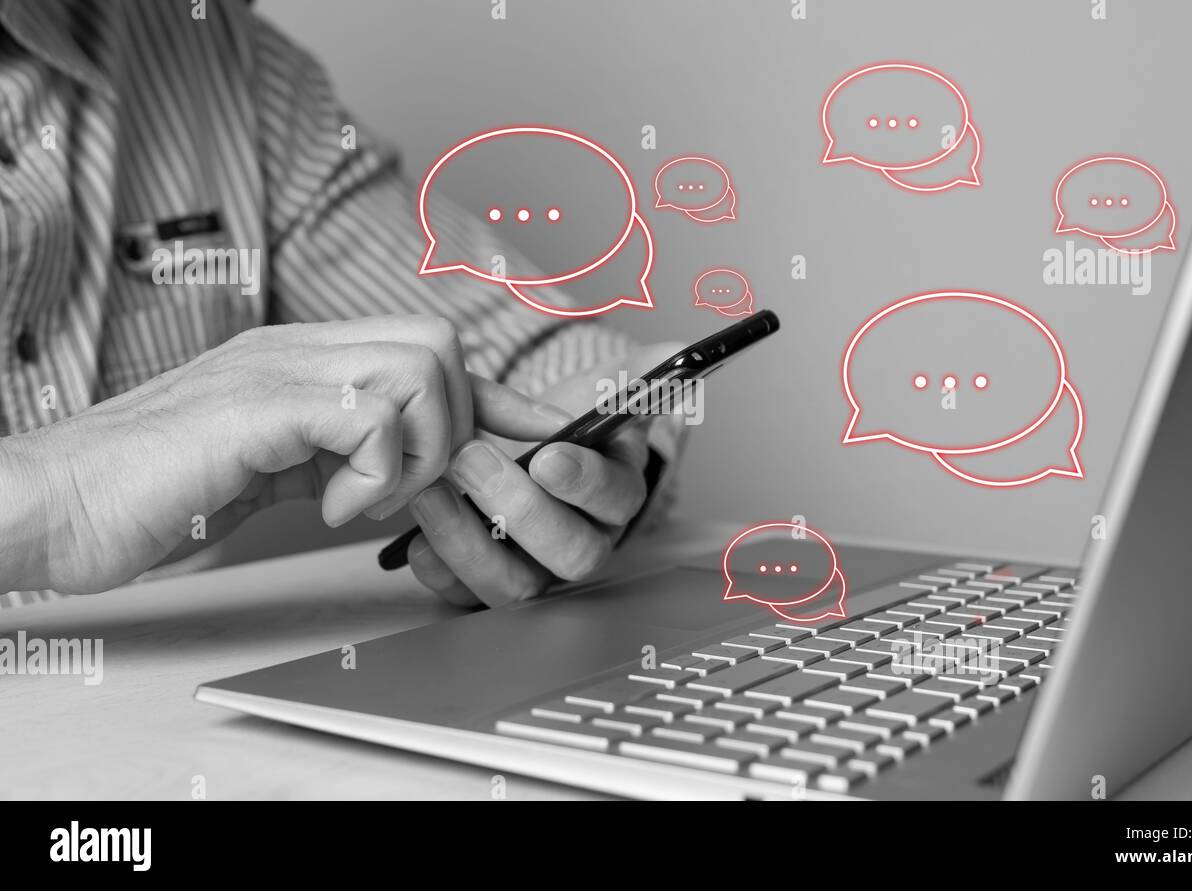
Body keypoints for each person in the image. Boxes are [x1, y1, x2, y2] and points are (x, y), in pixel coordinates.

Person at [0, 0, 684, 608]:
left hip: (156, 731)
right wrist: (64, 495)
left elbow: (544, 357)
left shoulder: (211, 51)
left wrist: (598, 468)